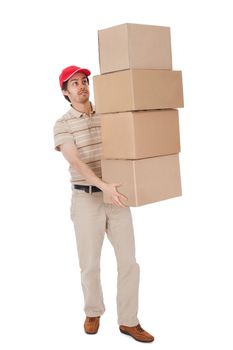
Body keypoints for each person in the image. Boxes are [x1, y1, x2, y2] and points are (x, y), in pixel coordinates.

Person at [53, 65, 154, 343]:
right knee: (90, 263)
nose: (82, 86)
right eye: (74, 84)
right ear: (65, 92)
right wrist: (103, 187)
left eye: (84, 81)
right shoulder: (62, 124)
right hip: (87, 198)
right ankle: (93, 311)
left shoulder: (109, 115)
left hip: (117, 195)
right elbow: (74, 160)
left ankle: (128, 321)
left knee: (129, 262)